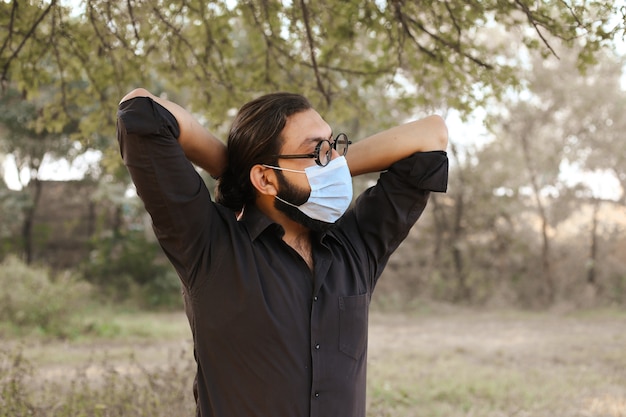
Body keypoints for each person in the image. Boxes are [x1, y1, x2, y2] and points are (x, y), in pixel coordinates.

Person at [116, 87, 448, 417]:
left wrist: (328, 166)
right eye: (316, 150)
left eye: (333, 146)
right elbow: (142, 112)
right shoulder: (210, 245)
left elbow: (432, 134)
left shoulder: (357, 245)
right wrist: (236, 171)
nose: (333, 161)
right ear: (265, 178)